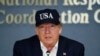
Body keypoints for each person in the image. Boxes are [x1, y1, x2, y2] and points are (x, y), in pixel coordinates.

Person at [13, 9, 85, 56]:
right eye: (42, 27)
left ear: (60, 29)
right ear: (36, 30)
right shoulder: (22, 48)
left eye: (52, 26)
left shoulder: (75, 49)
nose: (47, 31)